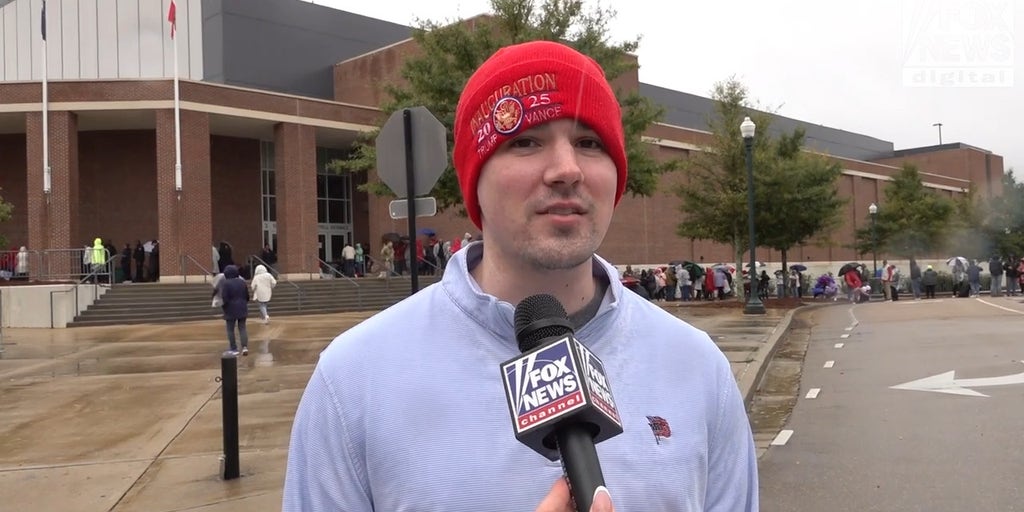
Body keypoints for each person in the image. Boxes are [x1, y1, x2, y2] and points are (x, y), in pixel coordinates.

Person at [282, 40, 758, 512]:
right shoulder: (354, 380)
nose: (567, 169)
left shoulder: (699, 370)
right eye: (526, 141)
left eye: (589, 143)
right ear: (474, 179)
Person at [214, 264, 249, 355]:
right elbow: (247, 296)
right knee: (242, 328)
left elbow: (225, 297)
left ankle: (234, 348)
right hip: (242, 307)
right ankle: (244, 347)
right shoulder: (242, 282)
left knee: (230, 329)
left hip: (230, 309)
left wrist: (224, 306)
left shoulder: (226, 283)